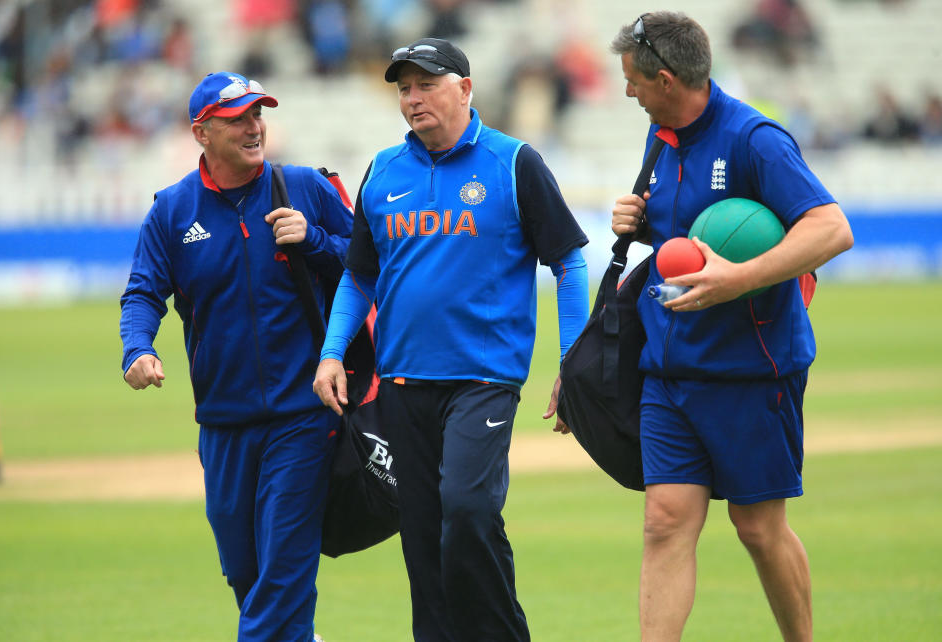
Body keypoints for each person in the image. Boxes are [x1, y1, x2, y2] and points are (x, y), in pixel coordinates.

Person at [312, 38, 589, 641]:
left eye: (427, 84)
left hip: (483, 381)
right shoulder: (383, 169)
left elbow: (568, 263)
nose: (413, 99)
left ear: (464, 89)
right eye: (404, 88)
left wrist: (575, 362)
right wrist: (333, 352)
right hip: (404, 384)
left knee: (467, 510)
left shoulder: (513, 163)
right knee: (423, 539)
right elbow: (360, 275)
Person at [607, 13, 853, 642]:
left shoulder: (756, 139)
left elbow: (831, 229)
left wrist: (737, 279)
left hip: (751, 370)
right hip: (669, 368)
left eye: (634, 80)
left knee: (758, 528)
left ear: (666, 78)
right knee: (664, 520)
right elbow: (674, 245)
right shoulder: (659, 137)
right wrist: (637, 221)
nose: (627, 91)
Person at [119, 71, 353, 642]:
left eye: (258, 115)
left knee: (283, 571)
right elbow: (144, 292)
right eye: (238, 119)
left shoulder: (306, 187)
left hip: (304, 415)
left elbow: (370, 269)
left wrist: (315, 241)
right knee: (246, 573)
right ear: (202, 133)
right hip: (222, 424)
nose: (254, 128)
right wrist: (138, 348)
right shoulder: (172, 211)